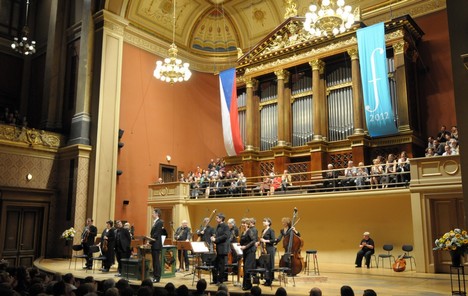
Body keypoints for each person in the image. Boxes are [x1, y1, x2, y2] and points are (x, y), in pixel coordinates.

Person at [211, 213, 231, 285]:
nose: (216, 219)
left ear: (221, 219)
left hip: (223, 248)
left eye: (217, 218)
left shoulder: (225, 226)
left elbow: (226, 236)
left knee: (221, 265)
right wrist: (213, 237)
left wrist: (215, 239)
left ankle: (220, 280)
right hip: (218, 248)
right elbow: (217, 234)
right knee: (215, 264)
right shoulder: (217, 226)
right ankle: (215, 280)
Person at [240, 218, 258, 291]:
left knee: (247, 268)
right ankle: (245, 284)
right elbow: (243, 241)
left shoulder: (249, 231)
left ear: (247, 224)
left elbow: (253, 240)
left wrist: (245, 246)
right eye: (242, 223)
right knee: (245, 268)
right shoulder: (243, 232)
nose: (242, 224)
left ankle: (248, 285)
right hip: (245, 251)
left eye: (244, 223)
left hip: (250, 251)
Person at [259, 217, 275, 286]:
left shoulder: (271, 230)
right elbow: (261, 239)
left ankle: (270, 280)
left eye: (265, 221)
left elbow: (273, 240)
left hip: (270, 249)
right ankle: (266, 279)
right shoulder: (263, 230)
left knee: (269, 264)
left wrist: (265, 241)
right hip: (264, 249)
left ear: (269, 223)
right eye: (263, 221)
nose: (263, 222)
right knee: (265, 264)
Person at [149, 208, 164, 283]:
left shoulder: (159, 222)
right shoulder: (155, 222)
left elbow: (156, 234)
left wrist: (150, 241)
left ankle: (157, 277)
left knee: (156, 261)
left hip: (156, 244)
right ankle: (155, 276)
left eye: (153, 213)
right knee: (155, 261)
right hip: (154, 244)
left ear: (157, 214)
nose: (152, 214)